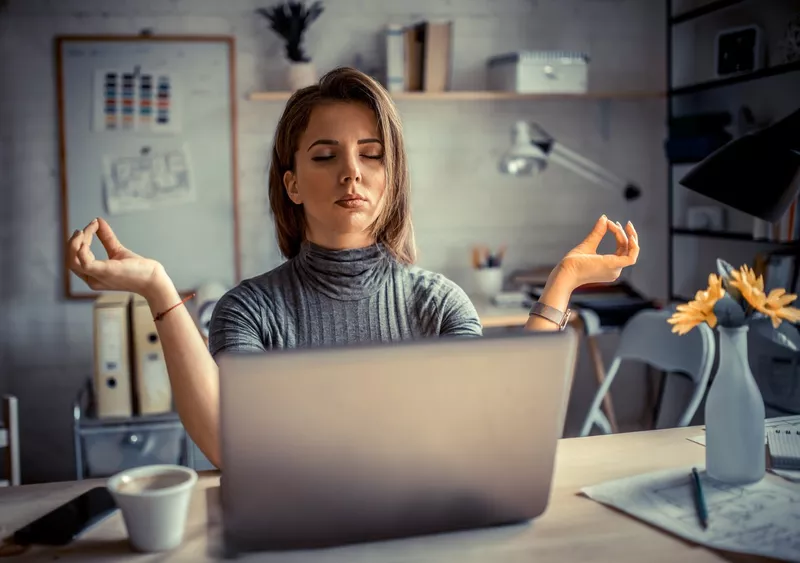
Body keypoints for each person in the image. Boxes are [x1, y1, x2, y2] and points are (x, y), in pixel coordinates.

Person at [66, 67, 639, 469]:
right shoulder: (250, 310)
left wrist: (562, 283)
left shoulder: (439, 303)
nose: (352, 173)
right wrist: (159, 291)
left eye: (371, 154)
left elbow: (499, 419)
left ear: (391, 177)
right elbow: (227, 445)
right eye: (325, 155)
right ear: (291, 184)